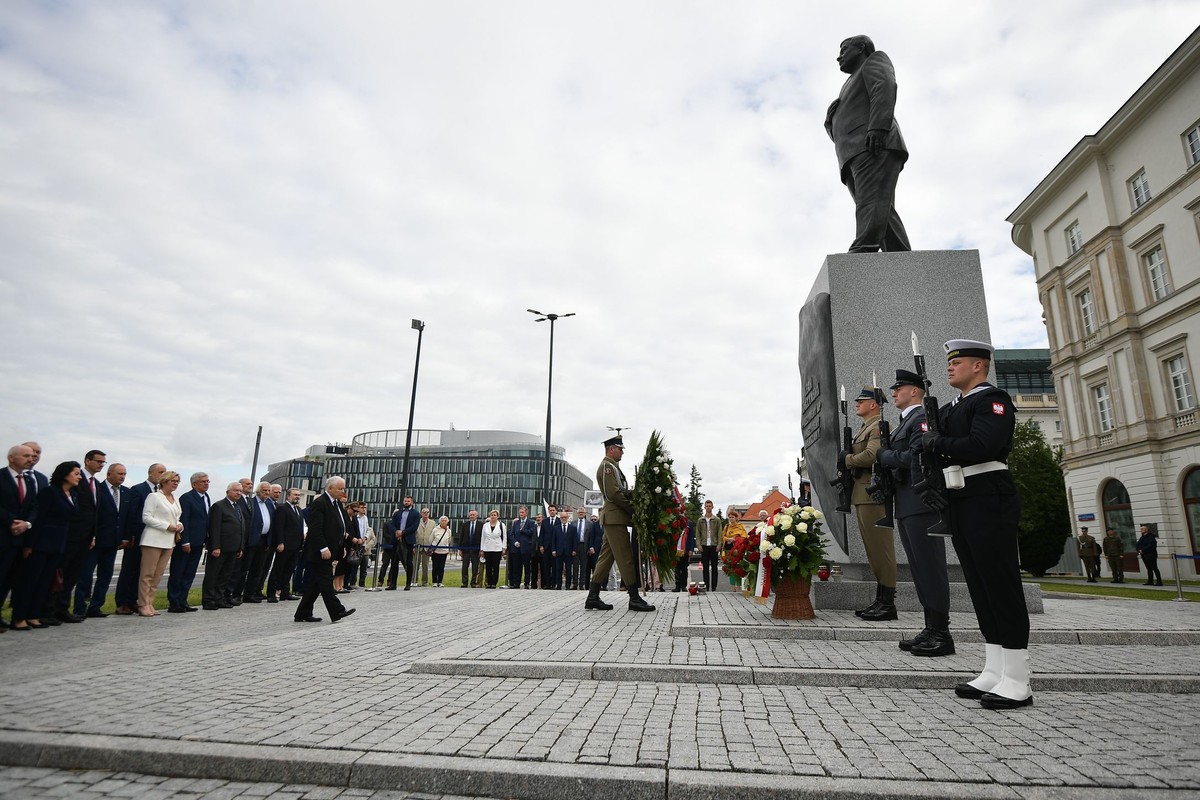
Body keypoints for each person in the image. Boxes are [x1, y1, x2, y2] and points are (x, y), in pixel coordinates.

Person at [920, 339, 1031, 710]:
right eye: (949, 362)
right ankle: (995, 667)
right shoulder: (955, 406)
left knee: (1000, 584)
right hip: (962, 496)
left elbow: (984, 443)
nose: (950, 368)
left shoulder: (991, 400)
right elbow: (948, 445)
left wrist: (938, 443)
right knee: (980, 586)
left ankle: (1018, 678)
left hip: (989, 495)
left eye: (959, 362)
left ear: (979, 366)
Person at [877, 369, 953, 656]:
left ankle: (942, 633)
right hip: (907, 504)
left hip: (921, 503)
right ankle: (931, 628)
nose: (894, 392)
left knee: (930, 568)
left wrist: (887, 457)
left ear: (915, 391)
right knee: (920, 570)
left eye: (900, 388)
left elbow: (919, 456)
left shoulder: (920, 418)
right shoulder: (903, 422)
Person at [823, 34, 910, 253]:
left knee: (870, 203)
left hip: (873, 145)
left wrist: (878, 127)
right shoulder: (847, 85)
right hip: (852, 153)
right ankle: (901, 258)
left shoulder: (874, 60)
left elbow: (885, 85)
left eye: (843, 50)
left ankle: (863, 249)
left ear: (861, 47)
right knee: (881, 209)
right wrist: (830, 122)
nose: (838, 57)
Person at [842, 386, 897, 621]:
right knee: (873, 551)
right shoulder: (865, 427)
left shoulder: (877, 427)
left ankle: (887, 602)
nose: (857, 403)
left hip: (872, 495)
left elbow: (872, 455)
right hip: (862, 494)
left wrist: (847, 460)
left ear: (874, 404)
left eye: (862, 400)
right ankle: (880, 599)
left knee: (881, 550)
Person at [585, 435, 654, 612]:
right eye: (620, 448)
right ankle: (634, 598)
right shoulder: (607, 467)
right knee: (625, 557)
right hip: (615, 518)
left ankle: (592, 597)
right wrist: (633, 509)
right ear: (611, 449)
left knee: (606, 558)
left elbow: (620, 491)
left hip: (614, 518)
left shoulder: (614, 467)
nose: (622, 452)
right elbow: (613, 494)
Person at [13, 461, 80, 630]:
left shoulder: (73, 494)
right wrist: (29, 544)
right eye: (76, 473)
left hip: (58, 544)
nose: (79, 477)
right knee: (30, 581)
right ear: (65, 474)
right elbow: (39, 518)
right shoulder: (50, 492)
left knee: (45, 582)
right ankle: (19, 617)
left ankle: (34, 615)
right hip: (41, 542)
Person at [50, 449, 103, 623]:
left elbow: (94, 512)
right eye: (98, 461)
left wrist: (93, 535)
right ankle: (49, 609)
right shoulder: (77, 482)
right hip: (69, 535)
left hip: (86, 537)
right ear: (88, 461)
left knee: (73, 574)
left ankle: (62, 609)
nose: (101, 464)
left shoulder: (97, 484)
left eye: (104, 462)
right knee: (59, 573)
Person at [294, 476, 355, 624]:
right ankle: (337, 610)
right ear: (330, 488)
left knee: (315, 584)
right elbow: (316, 529)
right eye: (340, 488)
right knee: (326, 581)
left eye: (343, 488)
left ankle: (302, 613)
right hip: (320, 551)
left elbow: (340, 527)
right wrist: (323, 547)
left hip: (332, 549)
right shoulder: (320, 503)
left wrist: (343, 546)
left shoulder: (336, 504)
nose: (343, 491)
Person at [75, 462, 129, 619]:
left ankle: (96, 606)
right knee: (86, 575)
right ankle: (79, 608)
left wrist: (124, 537)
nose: (122, 477)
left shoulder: (125, 493)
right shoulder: (97, 488)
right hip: (96, 541)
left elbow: (124, 517)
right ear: (109, 474)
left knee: (105, 576)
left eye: (124, 474)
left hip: (113, 542)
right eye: (120, 474)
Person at [114, 463, 165, 615]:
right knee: (130, 569)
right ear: (150, 473)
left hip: (154, 539)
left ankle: (135, 600)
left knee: (144, 572)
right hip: (137, 536)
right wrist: (129, 536)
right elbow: (131, 514)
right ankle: (122, 602)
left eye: (164, 472)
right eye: (160, 472)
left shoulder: (161, 493)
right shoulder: (138, 489)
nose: (162, 475)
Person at [1, 444, 39, 629]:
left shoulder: (30, 481)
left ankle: (17, 617)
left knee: (15, 579)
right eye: (26, 456)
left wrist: (27, 523)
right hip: (3, 535)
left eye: (31, 456)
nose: (30, 459)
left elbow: (33, 507)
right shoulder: (1, 477)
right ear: (11, 458)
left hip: (22, 538)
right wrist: (11, 521)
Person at [137, 470, 184, 617]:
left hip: (169, 541)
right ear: (164, 481)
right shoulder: (154, 497)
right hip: (153, 540)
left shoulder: (175, 499)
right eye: (173, 481)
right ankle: (143, 603)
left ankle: (150, 602)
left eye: (177, 481)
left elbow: (176, 517)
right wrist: (166, 526)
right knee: (147, 574)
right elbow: (146, 517)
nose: (175, 483)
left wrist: (179, 525)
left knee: (158, 574)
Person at [167, 471, 209, 613]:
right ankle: (174, 602)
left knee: (189, 573)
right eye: (203, 481)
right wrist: (185, 541)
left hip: (199, 543)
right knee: (178, 572)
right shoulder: (187, 498)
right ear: (194, 484)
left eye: (207, 481)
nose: (206, 484)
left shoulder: (206, 497)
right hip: (187, 543)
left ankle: (183, 600)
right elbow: (185, 520)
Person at [202, 482, 246, 610]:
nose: (238, 493)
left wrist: (240, 547)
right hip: (220, 548)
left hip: (233, 548)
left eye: (240, 491)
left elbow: (241, 528)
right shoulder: (219, 506)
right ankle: (208, 600)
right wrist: (215, 546)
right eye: (235, 490)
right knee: (213, 574)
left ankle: (219, 598)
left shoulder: (237, 507)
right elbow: (214, 528)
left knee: (225, 575)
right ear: (228, 492)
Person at [267, 488, 305, 601]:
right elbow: (279, 527)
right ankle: (271, 593)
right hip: (285, 545)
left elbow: (300, 527)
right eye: (295, 495)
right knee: (278, 569)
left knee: (289, 570)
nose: (297, 497)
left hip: (296, 546)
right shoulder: (282, 508)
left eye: (298, 495)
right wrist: (280, 542)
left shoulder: (298, 509)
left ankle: (285, 592)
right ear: (288, 496)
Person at [391, 496, 420, 591]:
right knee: (394, 562)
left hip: (408, 540)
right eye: (405, 501)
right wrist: (396, 532)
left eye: (408, 501)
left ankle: (408, 583)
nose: (406, 502)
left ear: (412, 502)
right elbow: (392, 524)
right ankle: (393, 584)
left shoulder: (415, 514)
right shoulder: (398, 513)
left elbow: (414, 527)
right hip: (397, 539)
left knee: (408, 562)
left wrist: (403, 532)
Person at [695, 500, 722, 591]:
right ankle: (706, 586)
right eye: (707, 506)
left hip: (714, 545)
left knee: (714, 567)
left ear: (712, 507)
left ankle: (714, 587)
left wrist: (719, 544)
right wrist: (698, 545)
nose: (708, 507)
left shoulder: (717, 520)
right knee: (705, 567)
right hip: (704, 545)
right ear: (704, 507)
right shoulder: (700, 520)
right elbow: (697, 533)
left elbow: (719, 533)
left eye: (710, 506)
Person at [509, 506, 537, 588]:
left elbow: (531, 532)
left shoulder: (531, 522)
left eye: (522, 512)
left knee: (527, 567)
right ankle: (516, 583)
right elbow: (511, 534)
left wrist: (522, 530)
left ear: (526, 513)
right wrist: (515, 542)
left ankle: (527, 583)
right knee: (516, 567)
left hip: (526, 548)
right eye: (520, 512)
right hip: (516, 548)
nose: (521, 514)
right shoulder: (516, 523)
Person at [479, 509, 506, 589]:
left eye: (495, 515)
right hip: (487, 548)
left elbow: (504, 537)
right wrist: (482, 549)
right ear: (490, 516)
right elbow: (483, 538)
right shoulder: (485, 525)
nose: (493, 516)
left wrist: (504, 548)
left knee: (496, 566)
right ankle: (489, 582)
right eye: (492, 515)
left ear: (497, 516)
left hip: (497, 548)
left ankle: (494, 582)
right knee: (488, 567)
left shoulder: (501, 525)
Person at [457, 509, 482, 589]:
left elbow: (483, 538)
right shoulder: (465, 524)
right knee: (464, 567)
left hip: (476, 549)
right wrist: (460, 549)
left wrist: (481, 550)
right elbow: (461, 536)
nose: (471, 516)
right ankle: (464, 582)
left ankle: (473, 582)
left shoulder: (481, 525)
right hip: (466, 549)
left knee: (475, 567)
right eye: (470, 515)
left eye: (473, 515)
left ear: (476, 516)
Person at [673, 518, 696, 592]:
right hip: (676, 549)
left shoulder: (689, 523)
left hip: (685, 549)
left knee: (684, 569)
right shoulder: (674, 521)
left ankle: (683, 586)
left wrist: (691, 549)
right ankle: (677, 586)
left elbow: (691, 537)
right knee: (676, 568)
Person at [539, 504, 559, 589]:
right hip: (546, 548)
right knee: (546, 567)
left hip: (556, 548)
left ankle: (554, 583)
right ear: (548, 511)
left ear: (556, 511)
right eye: (550, 510)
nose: (552, 512)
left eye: (553, 510)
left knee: (555, 567)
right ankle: (547, 584)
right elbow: (541, 535)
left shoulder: (559, 521)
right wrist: (541, 546)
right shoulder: (545, 521)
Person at [414, 507, 436, 587]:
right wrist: (413, 546)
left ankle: (425, 582)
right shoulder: (417, 521)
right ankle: (414, 580)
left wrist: (432, 547)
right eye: (424, 512)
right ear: (421, 513)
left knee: (425, 565)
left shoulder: (433, 523)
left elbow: (434, 535)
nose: (426, 514)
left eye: (427, 512)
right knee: (415, 565)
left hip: (427, 547)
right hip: (417, 546)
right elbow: (414, 533)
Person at [429, 516, 453, 586]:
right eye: (442, 520)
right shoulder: (435, 529)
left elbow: (449, 540)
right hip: (435, 551)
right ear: (440, 521)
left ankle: (440, 581)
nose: (443, 522)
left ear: (447, 522)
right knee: (435, 566)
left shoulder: (449, 530)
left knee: (441, 567)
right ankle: (434, 582)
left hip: (444, 551)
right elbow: (431, 539)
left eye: (445, 521)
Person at [379, 514, 398, 590]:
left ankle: (390, 581)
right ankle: (380, 580)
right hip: (387, 547)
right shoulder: (387, 524)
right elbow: (385, 534)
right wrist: (393, 539)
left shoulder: (400, 525)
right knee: (385, 564)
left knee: (393, 565)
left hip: (395, 548)